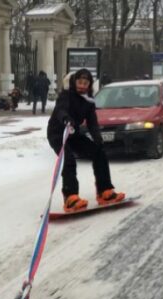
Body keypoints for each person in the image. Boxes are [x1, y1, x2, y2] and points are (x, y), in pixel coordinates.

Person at [47, 68, 125, 213]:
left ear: (89, 85)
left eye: (85, 83)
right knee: (68, 159)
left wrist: (97, 138)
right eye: (79, 82)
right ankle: (71, 198)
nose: (82, 85)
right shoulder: (66, 95)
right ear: (74, 81)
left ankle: (104, 191)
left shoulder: (89, 101)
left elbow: (92, 122)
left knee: (99, 153)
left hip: (74, 134)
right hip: (58, 134)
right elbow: (61, 110)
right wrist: (66, 119)